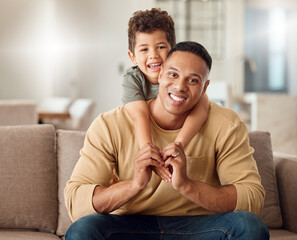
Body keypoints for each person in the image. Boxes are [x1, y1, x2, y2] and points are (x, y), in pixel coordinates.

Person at [65, 41, 269, 240]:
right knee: (83, 230)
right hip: (129, 227)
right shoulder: (109, 125)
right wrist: (134, 185)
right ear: (160, 74)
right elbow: (76, 203)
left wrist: (187, 186)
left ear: (205, 88)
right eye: (173, 74)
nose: (180, 86)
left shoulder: (227, 124)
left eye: (193, 80)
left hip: (201, 226)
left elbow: (251, 197)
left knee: (249, 226)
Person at [122, 8, 209, 152]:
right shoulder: (132, 79)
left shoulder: (182, 81)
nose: (153, 55)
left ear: (173, 51)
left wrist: (179, 144)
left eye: (161, 47)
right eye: (144, 50)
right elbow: (140, 115)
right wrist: (146, 149)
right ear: (133, 57)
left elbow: (202, 106)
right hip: (146, 140)